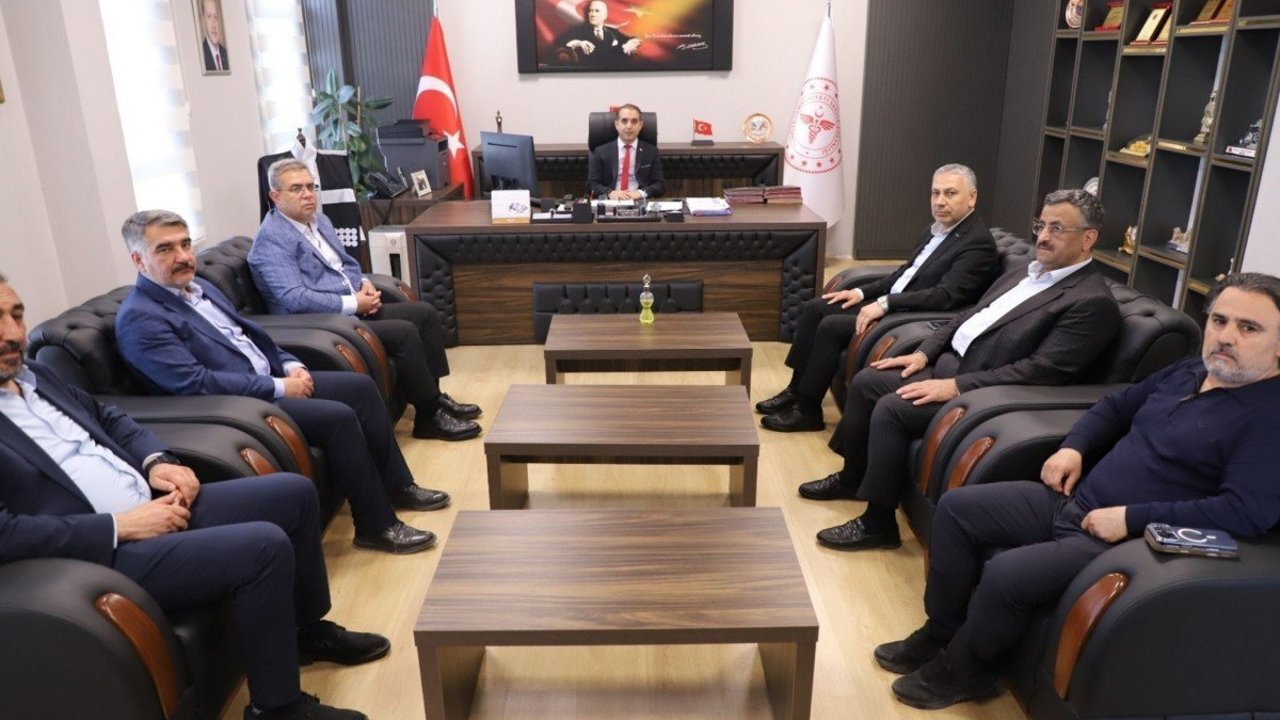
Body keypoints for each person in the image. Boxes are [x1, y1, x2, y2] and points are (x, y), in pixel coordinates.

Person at [878, 272, 1280, 710]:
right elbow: (1115, 407)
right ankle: (941, 632)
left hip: (1120, 540)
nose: (1226, 337)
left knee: (1007, 574)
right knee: (957, 510)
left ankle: (967, 671)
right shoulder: (1190, 371)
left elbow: (1245, 512)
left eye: (1249, 328)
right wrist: (1074, 447)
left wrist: (1131, 518)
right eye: (1219, 321)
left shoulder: (1269, 417)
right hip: (1074, 498)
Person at [0, 275, 377, 720]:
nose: (12, 333)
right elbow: (6, 534)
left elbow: (111, 418)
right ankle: (277, 709)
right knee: (263, 547)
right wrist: (120, 526)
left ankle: (305, 632)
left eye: (17, 315)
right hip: (99, 552)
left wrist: (157, 460)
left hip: (153, 503)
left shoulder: (36, 376)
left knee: (293, 494)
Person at [800, 189, 1122, 551]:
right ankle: (852, 478)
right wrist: (923, 353)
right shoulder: (1030, 271)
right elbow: (971, 314)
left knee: (893, 408)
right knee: (868, 382)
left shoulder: (1091, 302)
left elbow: (1043, 371)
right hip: (950, 364)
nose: (1043, 237)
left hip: (986, 394)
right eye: (1041, 225)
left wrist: (957, 386)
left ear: (1088, 238)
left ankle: (878, 524)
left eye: (1057, 229)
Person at [116, 210, 444, 555]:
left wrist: (290, 363)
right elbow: (195, 384)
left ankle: (398, 486)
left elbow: (251, 336)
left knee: (359, 388)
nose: (183, 256)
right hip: (238, 405)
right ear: (138, 260)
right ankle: (376, 526)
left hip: (270, 378)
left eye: (185, 244)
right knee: (338, 418)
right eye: (165, 249)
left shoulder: (200, 288)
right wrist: (280, 387)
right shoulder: (141, 318)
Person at [248, 159, 482, 441]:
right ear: (275, 196)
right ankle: (428, 417)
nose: (308, 194)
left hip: (350, 308)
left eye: (311, 186)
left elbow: (345, 263)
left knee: (424, 313)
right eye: (296, 189)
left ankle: (434, 398)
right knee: (404, 332)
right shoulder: (272, 239)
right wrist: (353, 303)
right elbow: (293, 298)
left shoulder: (319, 221)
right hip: (321, 323)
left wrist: (363, 284)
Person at [758, 164, 1000, 432]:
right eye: (935, 193)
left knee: (831, 326)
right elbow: (904, 274)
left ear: (972, 197)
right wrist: (860, 292)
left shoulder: (977, 242)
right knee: (816, 307)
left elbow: (945, 296)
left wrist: (886, 304)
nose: (940, 201)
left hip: (911, 316)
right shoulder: (936, 230)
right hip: (896, 303)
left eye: (950, 193)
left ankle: (807, 409)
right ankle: (795, 390)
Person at [587, 104, 665, 200]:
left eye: (634, 121)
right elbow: (591, 184)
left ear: (640, 125)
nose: (629, 126)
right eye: (624, 121)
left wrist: (640, 193)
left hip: (639, 201)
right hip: (612, 201)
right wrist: (609, 192)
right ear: (617, 124)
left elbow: (660, 185)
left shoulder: (651, 151)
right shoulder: (601, 151)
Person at [554, 0, 641, 67]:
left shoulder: (613, 32)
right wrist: (577, 43)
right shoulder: (577, 31)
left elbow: (633, 39)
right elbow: (562, 46)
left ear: (605, 15)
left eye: (597, 11)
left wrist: (631, 43)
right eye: (590, 11)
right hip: (585, 75)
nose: (592, 14)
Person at [200, 0, 229, 73]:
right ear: (203, 20)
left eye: (216, 17)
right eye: (209, 16)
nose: (214, 25)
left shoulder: (226, 55)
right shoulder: (201, 56)